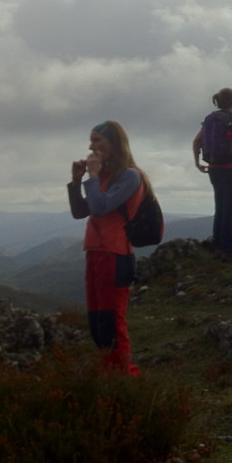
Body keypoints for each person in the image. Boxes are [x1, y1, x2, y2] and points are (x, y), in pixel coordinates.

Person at [68, 120, 146, 375]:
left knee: (113, 322)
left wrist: (91, 176)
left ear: (113, 143)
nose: (91, 146)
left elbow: (101, 207)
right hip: (95, 252)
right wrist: (77, 181)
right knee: (98, 322)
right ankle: (110, 375)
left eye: (96, 140)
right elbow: (81, 212)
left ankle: (126, 378)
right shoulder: (103, 176)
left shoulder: (130, 176)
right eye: (90, 140)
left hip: (115, 255)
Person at [193, 88, 232, 262]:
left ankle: (218, 246)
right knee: (230, 210)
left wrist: (197, 162)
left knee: (220, 207)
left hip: (214, 167)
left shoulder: (210, 119)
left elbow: (197, 141)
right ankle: (229, 250)